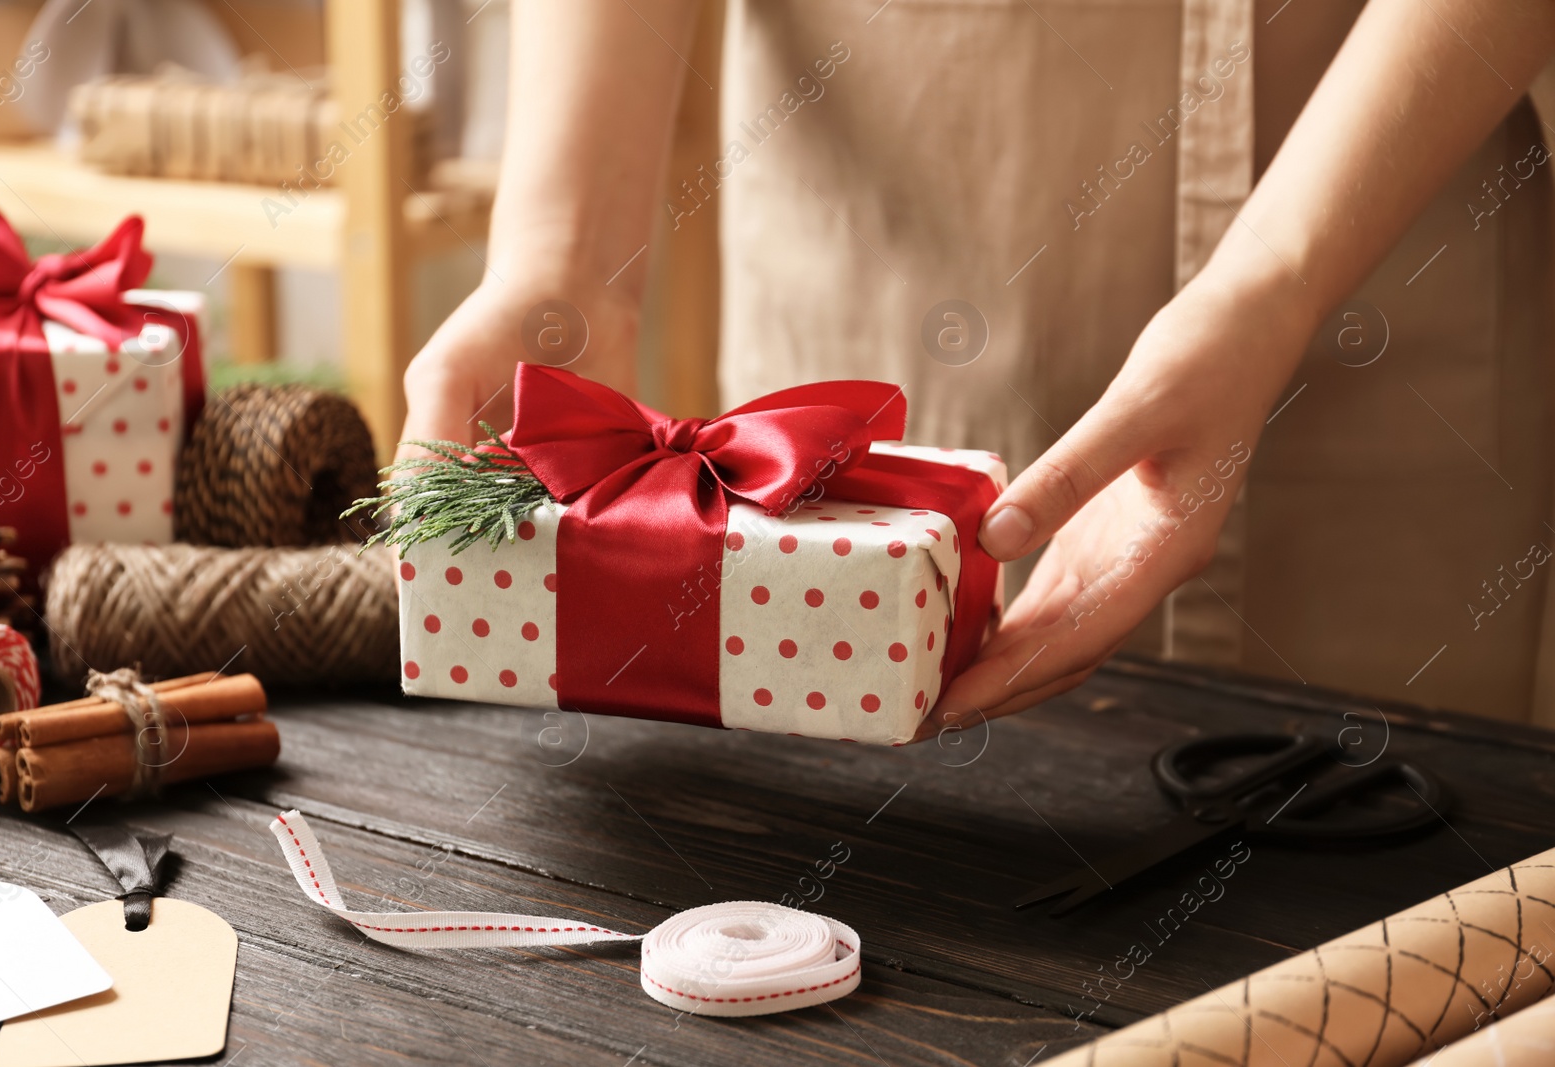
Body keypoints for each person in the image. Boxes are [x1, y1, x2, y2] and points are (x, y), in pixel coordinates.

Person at [400, 0, 1555, 729]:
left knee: (1383, 866)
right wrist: (565, 264)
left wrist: (1278, 285)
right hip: (882, 233)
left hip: (1390, 235)